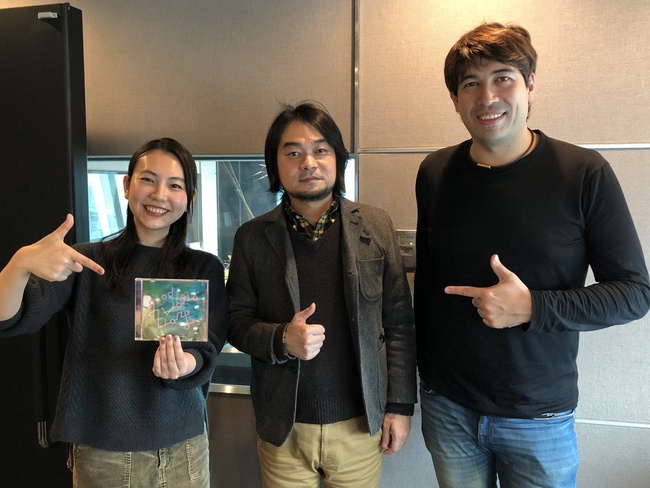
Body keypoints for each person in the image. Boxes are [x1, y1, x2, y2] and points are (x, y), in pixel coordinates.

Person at [414, 22, 650, 488]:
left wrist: (532, 307)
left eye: (503, 77)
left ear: (530, 85)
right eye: (470, 84)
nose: (487, 97)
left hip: (537, 416)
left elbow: (634, 293)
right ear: (455, 99)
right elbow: (427, 285)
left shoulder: (583, 173)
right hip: (447, 406)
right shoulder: (435, 171)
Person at [0, 138, 229, 487]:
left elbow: (208, 346)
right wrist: (19, 265)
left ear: (190, 198)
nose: (159, 195)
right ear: (126, 185)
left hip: (185, 448)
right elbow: (11, 319)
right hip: (104, 453)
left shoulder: (202, 267)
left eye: (175, 185)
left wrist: (185, 364)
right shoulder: (88, 263)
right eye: (148, 179)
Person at [227, 101, 417, 488]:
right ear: (275, 165)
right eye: (293, 153)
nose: (308, 163)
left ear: (337, 159)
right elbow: (235, 321)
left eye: (320, 149)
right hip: (284, 429)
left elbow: (398, 323)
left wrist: (399, 406)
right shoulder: (252, 237)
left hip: (360, 425)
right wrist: (281, 338)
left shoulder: (376, 225)